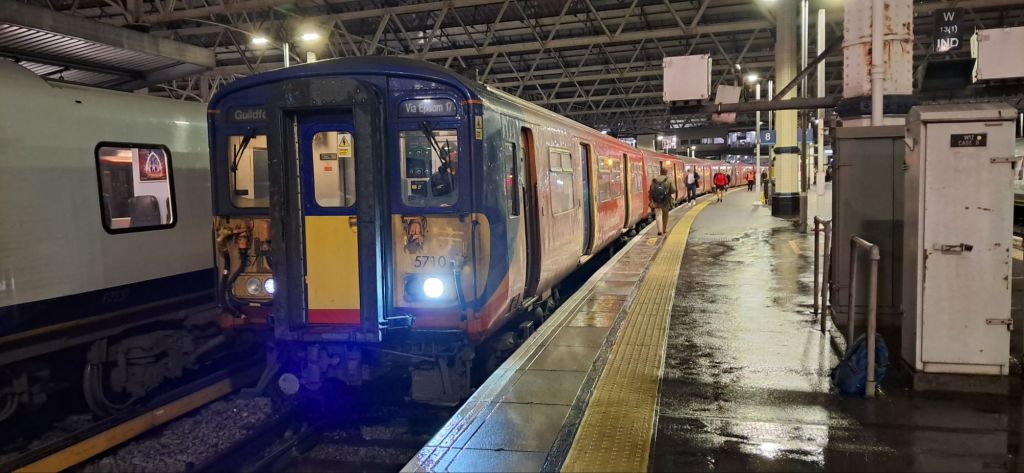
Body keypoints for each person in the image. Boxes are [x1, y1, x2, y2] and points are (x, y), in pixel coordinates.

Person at [649, 168, 676, 235]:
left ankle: (659, 230)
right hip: (665, 200)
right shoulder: (669, 179)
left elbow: (651, 189)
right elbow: (673, 190)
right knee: (665, 215)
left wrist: (651, 199)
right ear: (666, 173)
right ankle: (664, 229)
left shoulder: (654, 180)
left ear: (660, 172)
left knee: (658, 215)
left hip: (656, 200)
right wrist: (668, 192)